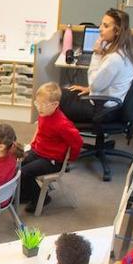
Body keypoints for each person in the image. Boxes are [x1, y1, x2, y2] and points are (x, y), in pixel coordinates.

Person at [58, 8, 133, 127]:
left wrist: (96, 54)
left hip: (102, 110)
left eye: (105, 26)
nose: (100, 28)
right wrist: (89, 89)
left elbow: (94, 84)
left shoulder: (114, 59)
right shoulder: (123, 51)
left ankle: (56, 136)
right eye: (101, 24)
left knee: (54, 99)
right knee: (60, 92)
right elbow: (101, 84)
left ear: (117, 31)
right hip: (107, 104)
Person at [20, 83, 84, 213]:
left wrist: (69, 159)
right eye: (37, 103)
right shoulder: (44, 113)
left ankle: (41, 198)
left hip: (52, 160)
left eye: (43, 104)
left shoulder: (62, 124)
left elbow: (77, 141)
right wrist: (33, 145)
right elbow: (40, 131)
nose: (39, 107)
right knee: (18, 164)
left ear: (55, 105)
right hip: (39, 152)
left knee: (25, 172)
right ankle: (27, 193)